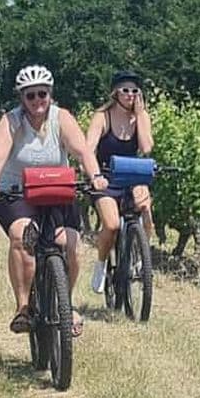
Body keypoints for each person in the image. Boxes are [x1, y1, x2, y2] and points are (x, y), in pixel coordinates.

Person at [0, 65, 108, 335]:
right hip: (16, 192)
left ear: (50, 94)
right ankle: (24, 307)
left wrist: (95, 175)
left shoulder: (61, 118)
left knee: (71, 244)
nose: (37, 100)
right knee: (22, 235)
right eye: (31, 96)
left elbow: (82, 151)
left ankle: (65, 304)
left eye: (42, 94)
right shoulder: (11, 121)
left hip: (56, 189)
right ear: (21, 98)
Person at [85, 70, 153, 294]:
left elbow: (145, 148)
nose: (130, 95)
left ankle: (141, 257)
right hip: (105, 178)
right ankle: (101, 264)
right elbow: (88, 148)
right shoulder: (102, 117)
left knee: (146, 211)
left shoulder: (140, 117)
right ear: (116, 93)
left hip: (131, 174)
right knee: (112, 224)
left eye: (135, 91)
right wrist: (95, 176)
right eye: (125, 90)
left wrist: (141, 116)